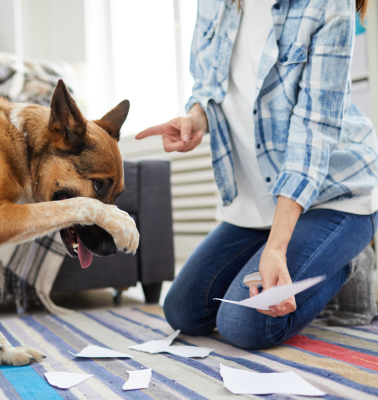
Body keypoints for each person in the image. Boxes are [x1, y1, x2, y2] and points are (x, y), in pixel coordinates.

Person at [136, 0, 378, 349]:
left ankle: (347, 260)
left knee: (244, 324)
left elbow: (313, 132)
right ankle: (306, 253)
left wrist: (277, 249)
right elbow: (208, 86)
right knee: (183, 311)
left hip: (336, 195)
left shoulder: (328, 6)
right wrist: (195, 118)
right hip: (258, 201)